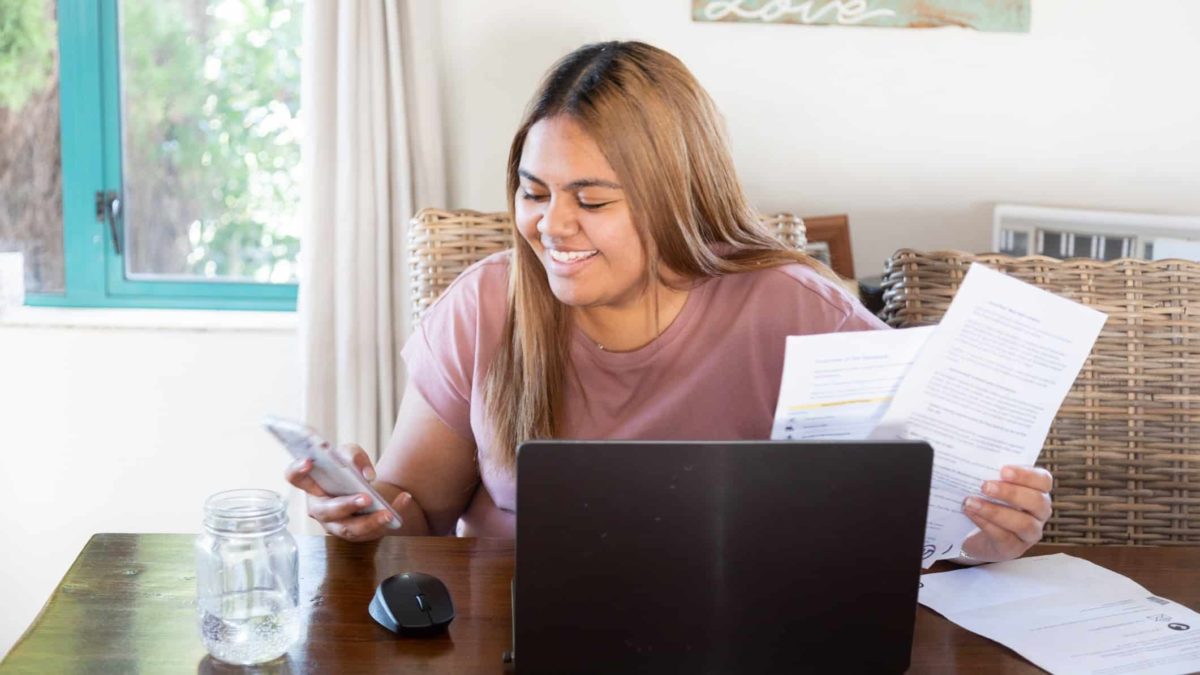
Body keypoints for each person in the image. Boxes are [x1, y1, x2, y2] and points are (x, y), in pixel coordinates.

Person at [286, 41, 1052, 564]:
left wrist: (982, 534)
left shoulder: (798, 312)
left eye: (591, 198)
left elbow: (904, 529)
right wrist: (367, 512)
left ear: (675, 198)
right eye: (534, 191)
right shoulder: (486, 305)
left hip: (746, 635)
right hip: (515, 631)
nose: (552, 226)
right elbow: (411, 518)